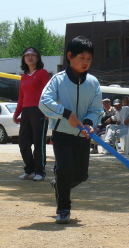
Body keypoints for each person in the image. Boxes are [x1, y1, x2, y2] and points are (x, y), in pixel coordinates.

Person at [39, 36, 103, 224]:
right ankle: (63, 209)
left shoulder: (93, 83)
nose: (85, 62)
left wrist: (90, 123)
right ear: (69, 56)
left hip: (83, 136)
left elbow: (97, 109)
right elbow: (44, 102)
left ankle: (60, 184)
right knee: (65, 169)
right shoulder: (57, 81)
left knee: (81, 175)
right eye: (81, 58)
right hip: (62, 135)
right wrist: (66, 114)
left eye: (89, 59)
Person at [13, 47, 50, 181]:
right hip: (26, 111)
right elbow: (21, 97)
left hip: (39, 110)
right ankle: (29, 169)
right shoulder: (23, 76)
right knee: (23, 142)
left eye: (33, 55)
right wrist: (17, 113)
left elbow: (48, 93)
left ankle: (40, 171)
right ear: (23, 59)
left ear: (38, 58)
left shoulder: (42, 73)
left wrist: (48, 110)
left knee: (38, 142)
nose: (30, 57)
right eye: (27, 55)